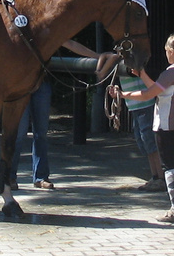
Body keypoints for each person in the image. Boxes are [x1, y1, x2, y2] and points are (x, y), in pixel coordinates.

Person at [13, 39, 120, 191]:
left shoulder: (47, 30)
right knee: (18, 132)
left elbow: (69, 43)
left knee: (41, 132)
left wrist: (97, 56)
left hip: (41, 82)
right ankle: (9, 176)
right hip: (19, 84)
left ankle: (41, 176)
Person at [113, 32, 174, 223]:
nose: (166, 53)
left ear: (172, 52)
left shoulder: (171, 72)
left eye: (167, 50)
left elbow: (148, 94)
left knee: (170, 168)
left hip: (166, 125)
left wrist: (124, 94)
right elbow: (159, 89)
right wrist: (141, 74)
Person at [114, 65, 165, 191]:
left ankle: (161, 178)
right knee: (144, 142)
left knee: (150, 141)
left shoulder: (134, 58)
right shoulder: (118, 61)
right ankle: (155, 176)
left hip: (144, 105)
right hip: (134, 106)